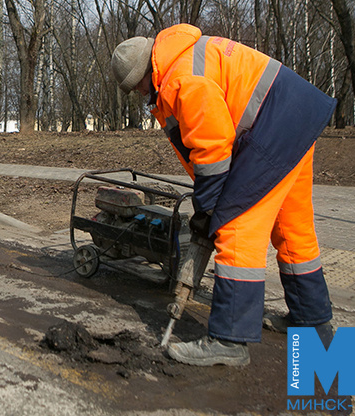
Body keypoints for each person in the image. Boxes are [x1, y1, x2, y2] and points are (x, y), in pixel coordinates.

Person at [111, 23, 335, 366]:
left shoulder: (183, 78)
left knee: (235, 229)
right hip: (295, 120)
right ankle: (312, 322)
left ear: (146, 72)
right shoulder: (183, 57)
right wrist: (207, 206)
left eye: (137, 87)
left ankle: (229, 340)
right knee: (291, 229)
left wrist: (207, 211)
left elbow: (213, 152)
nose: (141, 94)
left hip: (271, 131)